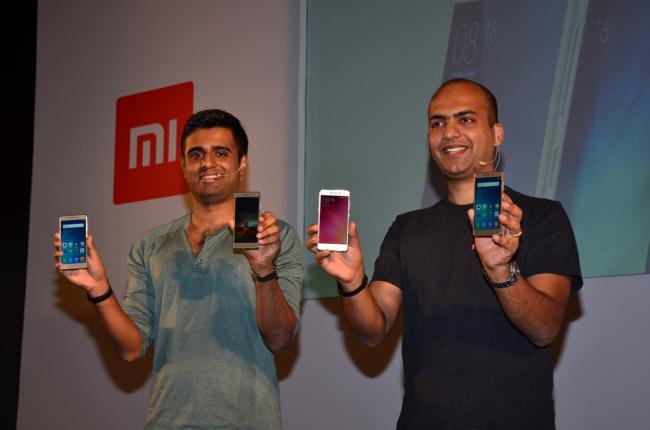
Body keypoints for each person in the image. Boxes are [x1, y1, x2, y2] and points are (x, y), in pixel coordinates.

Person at [306, 79, 582, 429]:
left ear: (497, 133)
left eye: (465, 119)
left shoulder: (542, 217)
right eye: (438, 123)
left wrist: (501, 271)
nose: (449, 132)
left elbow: (544, 328)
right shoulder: (407, 228)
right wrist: (352, 283)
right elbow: (372, 330)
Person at [55, 109, 304, 429]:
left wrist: (263, 267)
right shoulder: (150, 244)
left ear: (242, 164)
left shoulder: (276, 237)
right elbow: (131, 348)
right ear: (183, 166)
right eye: (196, 154)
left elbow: (280, 338)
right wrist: (99, 289)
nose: (208, 163)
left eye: (221, 153)